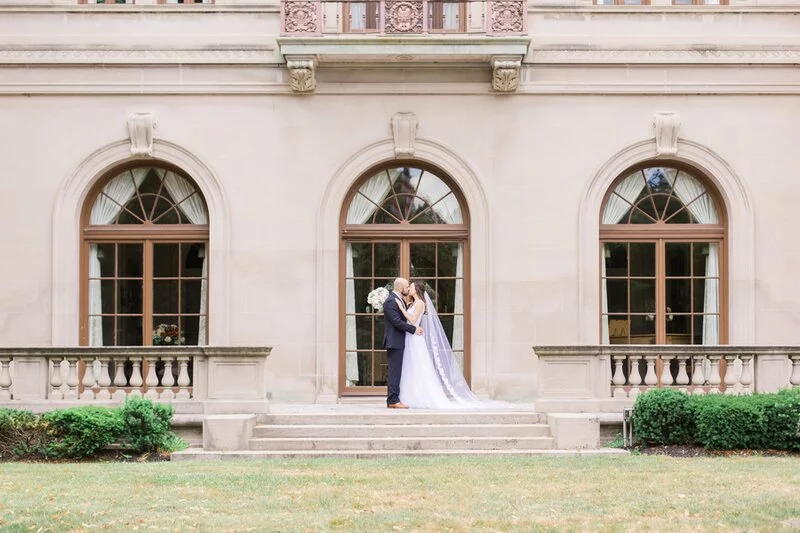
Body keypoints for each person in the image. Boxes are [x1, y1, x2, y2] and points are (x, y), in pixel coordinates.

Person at [398, 281, 512, 409]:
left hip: (414, 338)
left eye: (412, 287)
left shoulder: (420, 303)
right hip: (411, 337)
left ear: (417, 289)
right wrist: (407, 307)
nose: (410, 289)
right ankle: (411, 395)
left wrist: (402, 309)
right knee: (411, 366)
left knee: (418, 366)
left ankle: (421, 396)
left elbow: (413, 320)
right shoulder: (413, 303)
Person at [382, 277, 423, 409]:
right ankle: (393, 400)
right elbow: (396, 322)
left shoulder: (400, 300)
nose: (408, 289)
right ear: (400, 288)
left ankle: (394, 399)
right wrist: (414, 329)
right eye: (406, 287)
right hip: (394, 341)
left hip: (400, 340)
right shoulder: (390, 301)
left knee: (398, 371)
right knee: (394, 371)